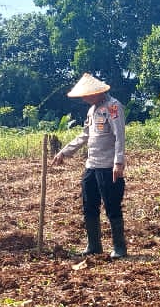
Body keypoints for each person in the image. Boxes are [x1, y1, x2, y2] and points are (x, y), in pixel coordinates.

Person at [51, 73, 128, 259]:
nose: (84, 99)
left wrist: (118, 162)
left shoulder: (113, 107)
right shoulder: (92, 110)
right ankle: (94, 245)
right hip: (92, 165)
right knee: (89, 204)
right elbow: (84, 135)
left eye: (86, 95)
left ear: (96, 92)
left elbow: (119, 136)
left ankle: (119, 247)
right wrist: (64, 152)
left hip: (108, 166)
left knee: (112, 206)